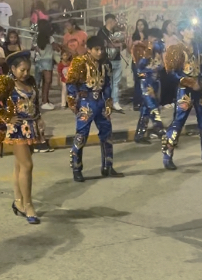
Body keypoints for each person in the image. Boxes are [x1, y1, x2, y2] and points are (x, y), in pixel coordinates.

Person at [0, 51, 45, 224]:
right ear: (12, 68)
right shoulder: (5, 83)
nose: (25, 73)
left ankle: (18, 201)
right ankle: (28, 205)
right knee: (27, 165)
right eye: (22, 70)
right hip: (17, 129)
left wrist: (40, 118)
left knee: (20, 166)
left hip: (32, 128)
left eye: (27, 70)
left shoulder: (31, 82)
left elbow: (35, 103)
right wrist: (6, 117)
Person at [66, 36, 123, 182]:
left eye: (102, 49)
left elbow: (108, 84)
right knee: (81, 135)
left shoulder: (106, 63)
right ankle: (76, 168)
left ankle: (108, 166)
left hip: (101, 102)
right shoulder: (79, 62)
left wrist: (109, 101)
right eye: (97, 49)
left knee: (107, 133)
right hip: (86, 102)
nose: (100, 52)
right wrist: (73, 102)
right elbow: (71, 83)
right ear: (89, 49)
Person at [161, 21, 202, 170]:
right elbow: (171, 73)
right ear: (182, 32)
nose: (192, 31)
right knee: (178, 122)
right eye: (188, 28)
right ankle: (167, 155)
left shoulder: (199, 46)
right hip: (184, 91)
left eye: (193, 28)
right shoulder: (176, 49)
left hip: (199, 89)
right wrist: (188, 82)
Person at [132, 28, 165, 145]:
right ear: (150, 38)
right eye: (155, 40)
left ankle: (139, 135)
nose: (157, 42)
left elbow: (162, 66)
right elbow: (139, 69)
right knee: (153, 107)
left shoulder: (159, 51)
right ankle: (161, 130)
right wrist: (147, 55)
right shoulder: (141, 48)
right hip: (146, 83)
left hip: (155, 82)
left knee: (146, 109)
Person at [96, 14, 124, 113]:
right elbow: (103, 44)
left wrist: (122, 43)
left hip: (117, 59)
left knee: (115, 82)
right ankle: (105, 102)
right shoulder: (102, 32)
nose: (116, 23)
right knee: (106, 83)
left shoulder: (116, 32)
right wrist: (116, 44)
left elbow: (122, 44)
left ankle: (115, 102)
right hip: (106, 60)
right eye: (114, 21)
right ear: (110, 21)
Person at [33, 20, 55, 111]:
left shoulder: (35, 37)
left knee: (37, 83)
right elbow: (55, 47)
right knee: (47, 82)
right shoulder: (50, 38)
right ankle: (45, 101)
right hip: (47, 61)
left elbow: (35, 48)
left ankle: (35, 102)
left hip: (38, 61)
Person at [160, 20, 181, 108]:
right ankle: (164, 102)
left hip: (174, 65)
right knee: (165, 84)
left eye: (173, 25)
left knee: (173, 83)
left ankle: (172, 100)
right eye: (170, 25)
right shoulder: (162, 38)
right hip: (164, 64)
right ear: (165, 27)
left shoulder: (175, 38)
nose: (172, 27)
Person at [130, 19, 149, 111]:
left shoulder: (148, 37)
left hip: (146, 62)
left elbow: (148, 48)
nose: (140, 26)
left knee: (146, 82)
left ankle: (146, 102)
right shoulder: (134, 37)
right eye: (138, 25)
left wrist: (142, 40)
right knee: (138, 82)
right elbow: (130, 49)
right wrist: (139, 40)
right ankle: (137, 103)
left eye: (142, 24)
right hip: (136, 62)